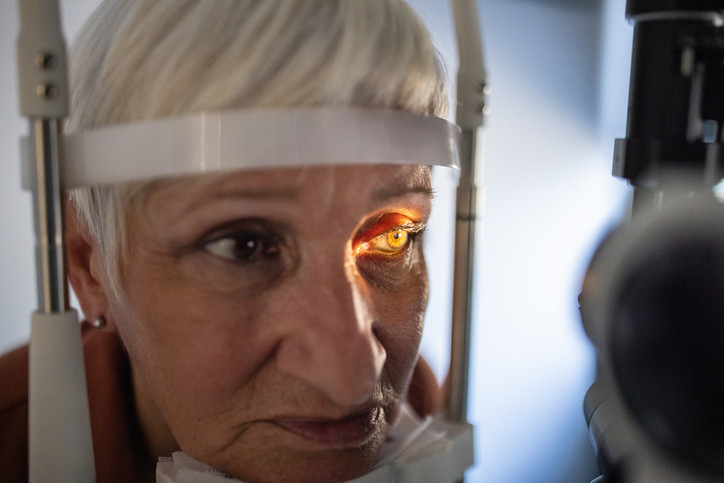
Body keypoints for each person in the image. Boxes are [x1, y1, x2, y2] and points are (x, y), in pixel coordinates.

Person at [0, 1, 452, 481]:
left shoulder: (416, 406)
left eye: (393, 237)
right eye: (245, 248)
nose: (355, 376)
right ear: (89, 263)